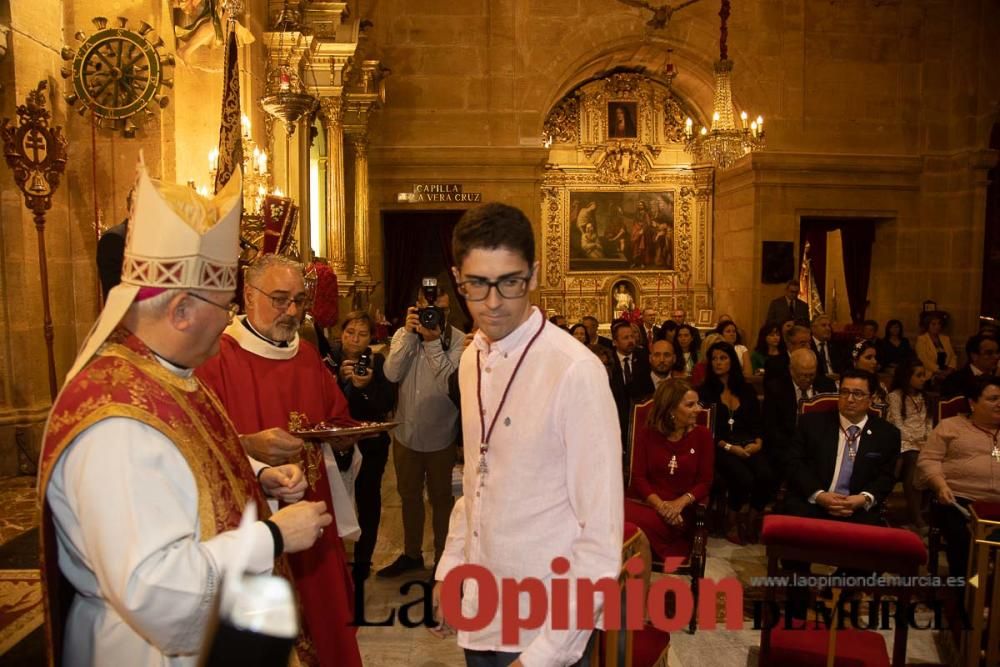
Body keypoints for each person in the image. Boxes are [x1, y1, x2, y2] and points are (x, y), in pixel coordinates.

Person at [40, 163, 331, 666]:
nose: (228, 323)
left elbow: (188, 462)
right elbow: (153, 589)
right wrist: (275, 535)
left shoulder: (164, 376)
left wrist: (259, 477)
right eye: (223, 306)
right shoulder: (118, 422)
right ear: (179, 310)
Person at [434, 202, 623, 665]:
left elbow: (600, 534)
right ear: (458, 279)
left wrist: (546, 654)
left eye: (510, 282)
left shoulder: (576, 371)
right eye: (477, 284)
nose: (493, 302)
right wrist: (450, 567)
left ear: (533, 275)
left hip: (543, 629)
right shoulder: (471, 359)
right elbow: (478, 478)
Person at [196, 254, 364, 667]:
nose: (292, 311)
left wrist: (345, 442)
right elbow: (196, 442)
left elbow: (336, 417)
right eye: (279, 299)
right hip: (250, 529)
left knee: (325, 629)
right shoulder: (216, 357)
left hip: (313, 524)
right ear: (248, 296)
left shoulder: (307, 356)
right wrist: (248, 446)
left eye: (300, 301)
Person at [381, 283, 465, 577]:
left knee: (442, 500)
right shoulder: (405, 335)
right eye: (426, 308)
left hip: (441, 434)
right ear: (416, 306)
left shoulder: (458, 340)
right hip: (406, 434)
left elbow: (448, 386)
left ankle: (443, 562)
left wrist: (432, 343)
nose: (432, 315)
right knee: (409, 497)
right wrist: (407, 335)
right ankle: (412, 554)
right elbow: (391, 373)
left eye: (439, 310)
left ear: (448, 309)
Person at [321, 311, 398, 585]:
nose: (355, 338)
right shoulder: (328, 362)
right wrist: (340, 382)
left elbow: (385, 405)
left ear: (371, 338)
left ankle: (363, 562)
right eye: (350, 332)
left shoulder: (379, 363)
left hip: (370, 444)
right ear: (341, 334)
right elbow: (322, 405)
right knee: (332, 501)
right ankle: (334, 559)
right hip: (336, 445)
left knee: (368, 500)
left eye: (362, 334)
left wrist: (364, 388)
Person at [782, 369, 901, 526]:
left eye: (857, 394)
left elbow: (886, 476)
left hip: (858, 508)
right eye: (844, 392)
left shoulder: (887, 434)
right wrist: (819, 495)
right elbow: (794, 464)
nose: (850, 399)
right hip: (811, 503)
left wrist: (864, 498)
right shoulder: (811, 424)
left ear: (871, 399)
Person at [918, 376, 1000, 577]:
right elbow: (928, 460)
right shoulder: (950, 426)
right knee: (963, 539)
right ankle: (967, 595)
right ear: (972, 403)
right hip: (961, 501)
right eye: (993, 399)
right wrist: (940, 486)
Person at [625, 379, 714, 560]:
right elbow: (639, 478)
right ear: (671, 409)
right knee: (614, 517)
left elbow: (705, 482)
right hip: (646, 503)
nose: (698, 409)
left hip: (681, 511)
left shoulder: (702, 436)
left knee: (634, 529)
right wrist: (662, 506)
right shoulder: (647, 434)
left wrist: (679, 504)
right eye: (690, 405)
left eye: (697, 403)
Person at [698, 341, 774, 543]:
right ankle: (731, 522)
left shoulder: (746, 389)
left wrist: (758, 442)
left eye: (723, 358)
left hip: (747, 442)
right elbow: (706, 430)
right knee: (743, 477)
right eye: (714, 359)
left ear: (732, 361)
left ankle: (750, 520)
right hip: (720, 445)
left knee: (766, 475)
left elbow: (757, 422)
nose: (718, 363)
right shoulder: (705, 392)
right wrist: (732, 448)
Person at [761, 348, 837, 481]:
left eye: (811, 375)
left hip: (820, 445)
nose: (807, 379)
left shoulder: (827, 385)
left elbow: (832, 420)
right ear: (791, 370)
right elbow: (771, 428)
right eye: (803, 375)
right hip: (787, 445)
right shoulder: (776, 388)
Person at [886, 359, 932, 533]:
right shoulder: (895, 396)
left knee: (930, 458)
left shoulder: (924, 397)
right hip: (903, 441)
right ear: (907, 377)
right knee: (913, 457)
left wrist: (927, 439)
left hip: (923, 442)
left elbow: (928, 423)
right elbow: (897, 424)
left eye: (924, 375)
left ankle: (923, 512)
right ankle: (916, 518)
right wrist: (915, 439)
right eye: (919, 375)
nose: (923, 379)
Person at [609, 319, 653, 447]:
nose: (631, 341)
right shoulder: (609, 360)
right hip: (616, 416)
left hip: (640, 416)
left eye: (632, 337)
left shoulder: (644, 357)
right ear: (615, 342)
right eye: (625, 338)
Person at [940, 333, 998, 398]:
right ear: (974, 356)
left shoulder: (997, 378)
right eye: (989, 353)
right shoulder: (955, 381)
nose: (996, 356)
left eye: (997, 352)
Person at [915, 314, 956, 382]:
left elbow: (953, 356)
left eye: (939, 324)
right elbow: (924, 359)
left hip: (947, 373)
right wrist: (939, 371)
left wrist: (950, 369)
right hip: (930, 374)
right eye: (933, 324)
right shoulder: (922, 339)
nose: (937, 326)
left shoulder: (945, 338)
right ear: (927, 326)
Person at [851, 340, 887, 405]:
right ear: (855, 361)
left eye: (875, 358)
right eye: (869, 358)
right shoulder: (843, 385)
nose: (875, 362)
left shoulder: (881, 387)